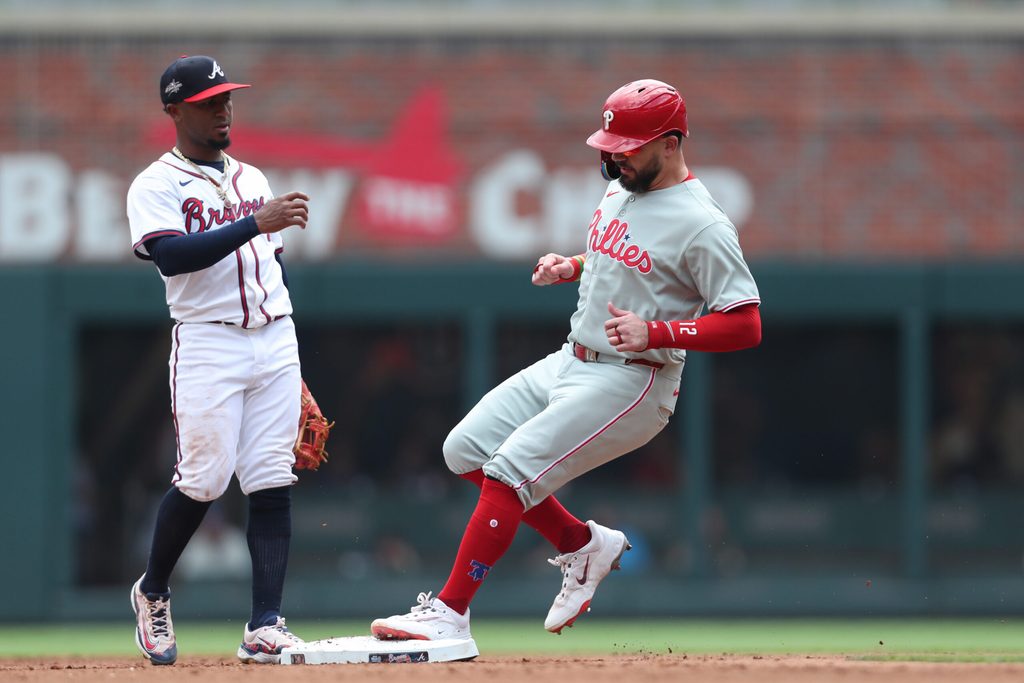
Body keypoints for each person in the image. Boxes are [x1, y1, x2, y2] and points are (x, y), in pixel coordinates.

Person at [370, 78, 762, 641]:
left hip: (635, 380)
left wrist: (658, 329)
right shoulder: (623, 188)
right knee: (465, 450)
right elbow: (630, 259)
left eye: (627, 148)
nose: (614, 158)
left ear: (671, 143)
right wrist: (573, 267)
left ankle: (450, 615)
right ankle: (582, 545)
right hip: (572, 358)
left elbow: (745, 323)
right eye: (610, 146)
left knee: (508, 472)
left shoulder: (703, 223)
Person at [126, 55, 311, 665]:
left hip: (274, 335)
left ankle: (265, 624)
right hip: (209, 340)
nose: (223, 108)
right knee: (204, 479)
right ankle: (153, 589)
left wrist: (292, 370)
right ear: (176, 110)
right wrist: (254, 223)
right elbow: (172, 258)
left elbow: (270, 267)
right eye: (209, 101)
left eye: (226, 97)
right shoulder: (156, 184)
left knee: (271, 476)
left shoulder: (251, 177)